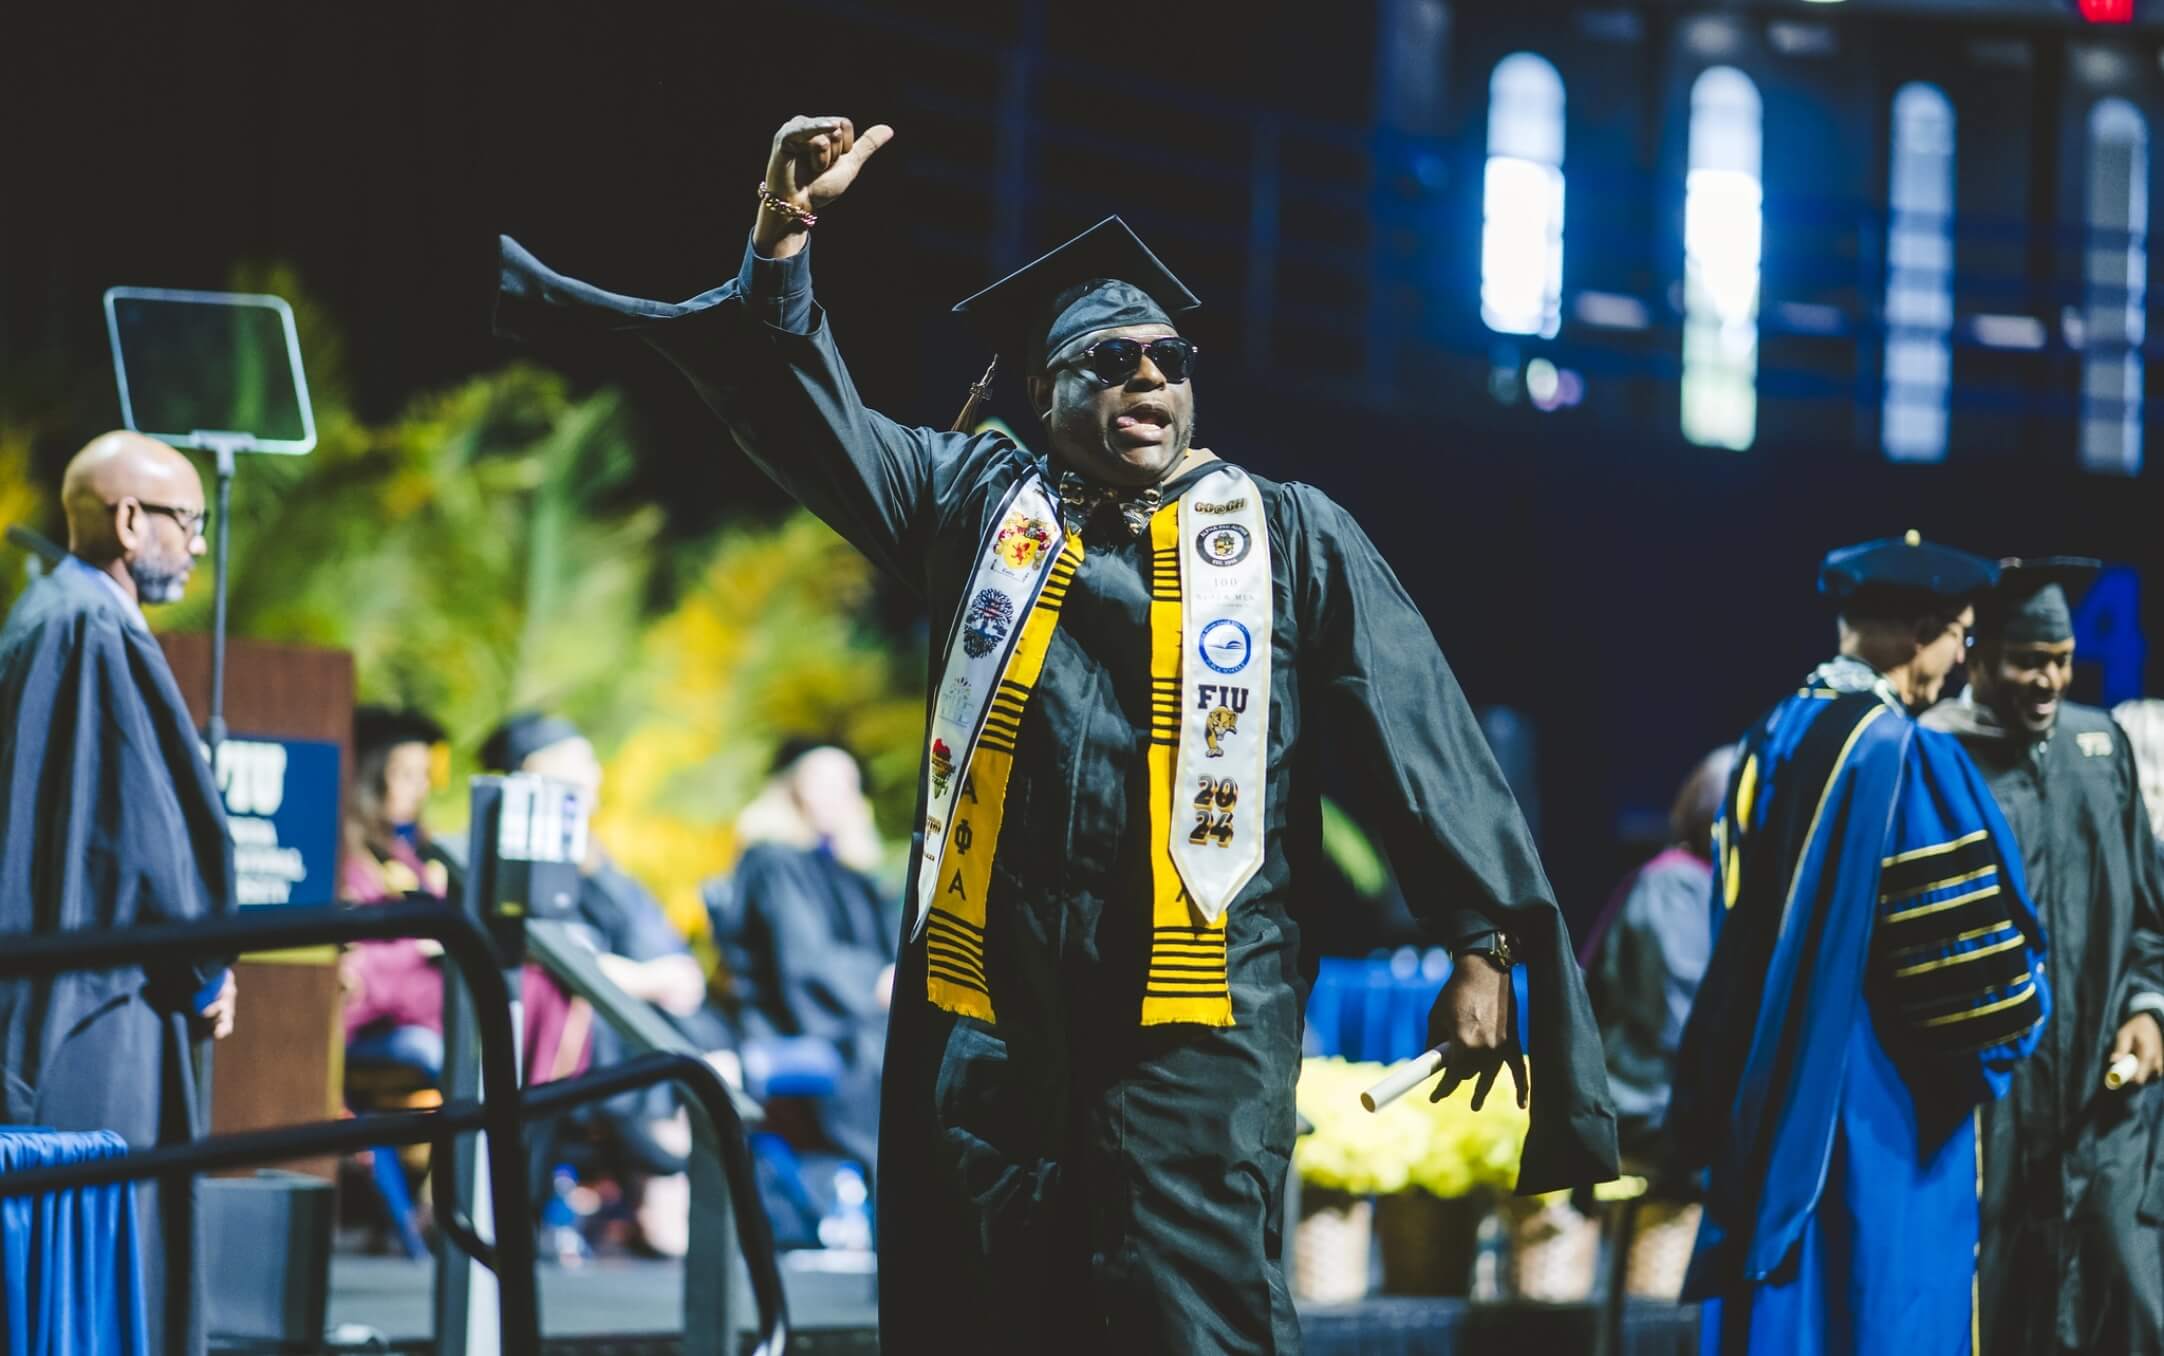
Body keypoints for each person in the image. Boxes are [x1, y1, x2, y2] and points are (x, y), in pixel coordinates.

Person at [495, 113, 1616, 1350]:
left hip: (1196, 1017)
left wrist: (1476, 942)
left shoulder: (1289, 536)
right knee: (1004, 1312)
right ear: (1042, 392)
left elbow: (1423, 739)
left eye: (1168, 359)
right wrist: (782, 241)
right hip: (1003, 1012)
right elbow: (801, 412)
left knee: (1191, 1312)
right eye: (1109, 360)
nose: (1148, 381)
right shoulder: (974, 510)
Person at [1671, 535, 2052, 1355]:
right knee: (1873, 1311)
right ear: (1923, 630)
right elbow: (1979, 993)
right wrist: (2026, 1016)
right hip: (1878, 1112)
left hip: (1765, 1093)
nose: (1958, 662)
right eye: (1961, 637)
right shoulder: (1905, 754)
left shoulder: (1771, 732)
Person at [0, 431, 239, 1356]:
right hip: (102, 1006)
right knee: (108, 1254)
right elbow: (140, 834)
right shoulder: (91, 624)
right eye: (190, 521)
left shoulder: (42, 613)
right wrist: (203, 970)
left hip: (60, 986)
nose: (200, 544)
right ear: (131, 522)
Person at [1920, 558, 2164, 1355]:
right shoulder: (1932, 755)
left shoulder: (2100, 745)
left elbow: (2149, 919)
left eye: (2060, 660)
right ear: (1979, 657)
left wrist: (2147, 1008)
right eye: (2028, 660)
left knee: (2121, 1290)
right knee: (1997, 1303)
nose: (2048, 679)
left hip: (2103, 1095)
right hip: (1990, 1100)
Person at [479, 710, 729, 1256]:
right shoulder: (521, 844)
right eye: (576, 762)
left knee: (708, 1049)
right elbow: (556, 947)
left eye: (590, 762)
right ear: (530, 771)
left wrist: (672, 973)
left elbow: (647, 937)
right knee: (648, 1047)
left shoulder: (597, 856)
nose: (592, 774)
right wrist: (647, 978)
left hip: (632, 1009)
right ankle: (659, 1184)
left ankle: (665, 1192)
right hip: (571, 1017)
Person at [338, 706, 589, 1085]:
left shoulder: (414, 852)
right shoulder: (345, 859)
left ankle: (526, 1118)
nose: (420, 787)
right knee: (527, 993)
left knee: (543, 988)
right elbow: (355, 962)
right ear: (370, 777)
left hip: (426, 989)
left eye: (425, 775)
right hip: (382, 1001)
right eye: (406, 774)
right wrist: (419, 947)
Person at [711, 737, 896, 1175]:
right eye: (823, 781)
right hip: (794, 1020)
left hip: (854, 1016)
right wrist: (875, 983)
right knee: (882, 1056)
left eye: (848, 785)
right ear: (791, 788)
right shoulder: (773, 861)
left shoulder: (843, 867)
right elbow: (803, 958)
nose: (839, 795)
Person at [1582, 745, 1735, 1161]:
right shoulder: (1675, 885)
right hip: (1650, 1102)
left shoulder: (1709, 885)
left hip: (1679, 1098)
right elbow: (1680, 1020)